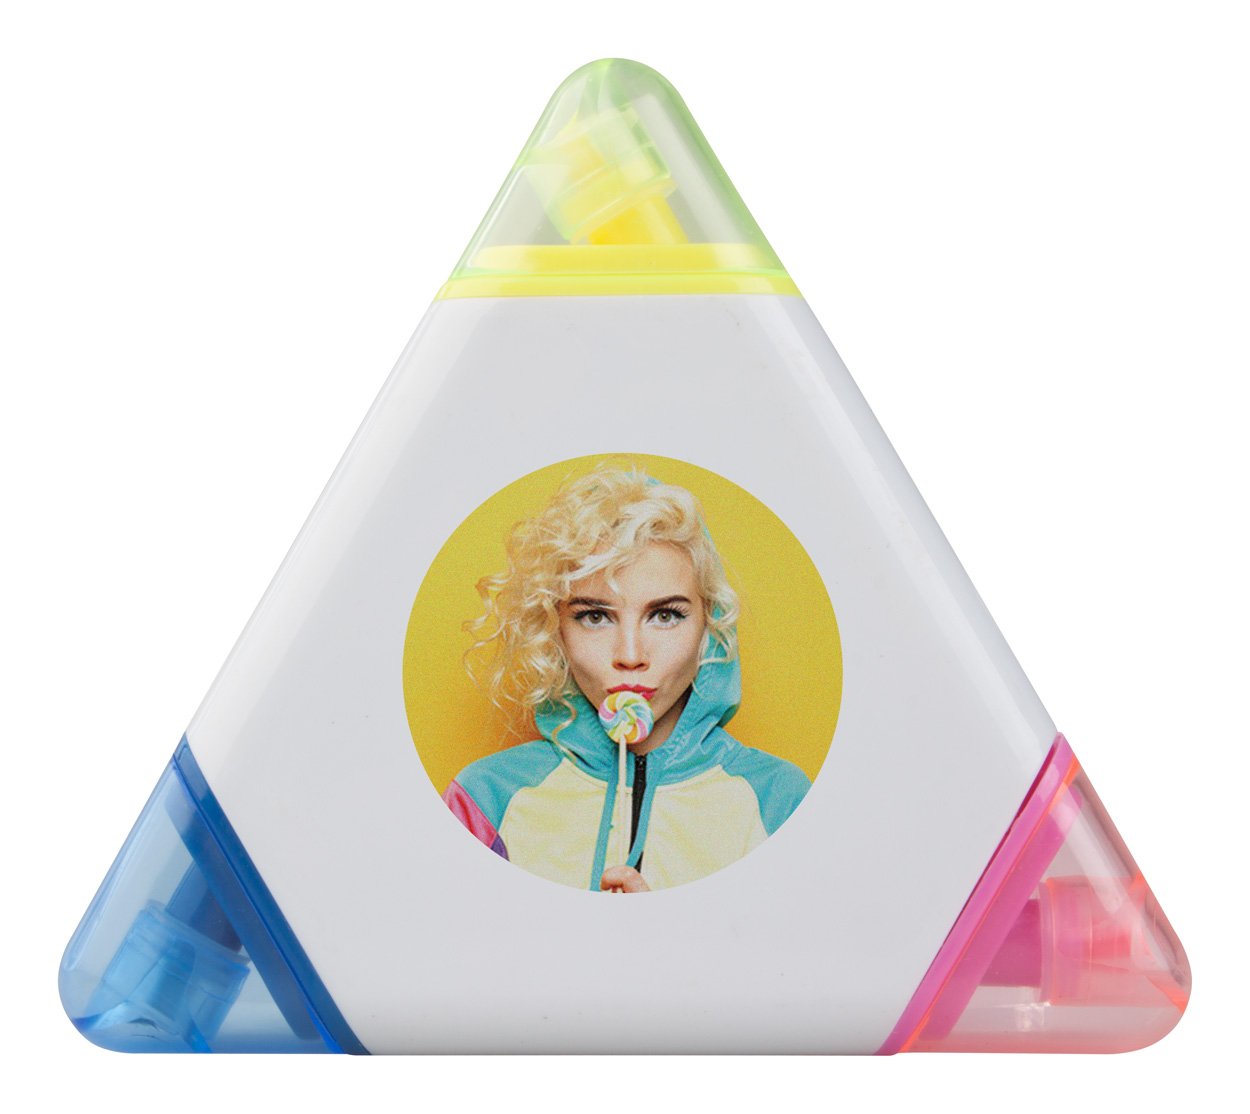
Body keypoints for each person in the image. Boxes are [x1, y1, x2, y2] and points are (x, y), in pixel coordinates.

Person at [442, 466, 811, 892]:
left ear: (709, 627)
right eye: (595, 617)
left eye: (665, 615)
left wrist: (665, 929)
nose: (631, 656)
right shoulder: (486, 799)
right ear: (554, 628)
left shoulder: (780, 801)